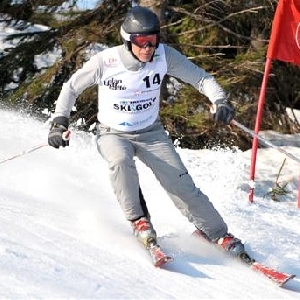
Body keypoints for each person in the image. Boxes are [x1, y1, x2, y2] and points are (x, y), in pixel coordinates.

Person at [48, 6, 244, 256]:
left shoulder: (164, 56)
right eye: (141, 42)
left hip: (151, 133)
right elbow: (71, 87)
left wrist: (220, 100)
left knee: (180, 183)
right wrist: (59, 121)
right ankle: (138, 219)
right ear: (128, 41)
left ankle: (217, 233)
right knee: (120, 161)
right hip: (112, 133)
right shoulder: (106, 61)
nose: (147, 48)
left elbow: (201, 79)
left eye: (152, 40)